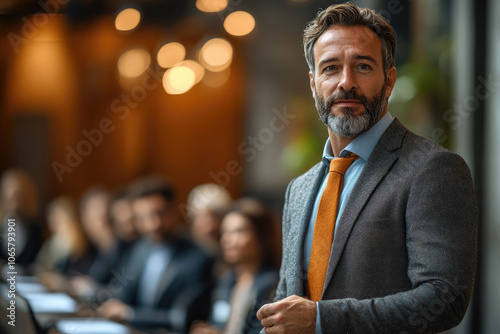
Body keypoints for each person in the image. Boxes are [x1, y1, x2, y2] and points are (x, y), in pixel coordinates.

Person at [256, 3, 477, 334]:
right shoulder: (299, 188)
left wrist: (320, 320)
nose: (347, 83)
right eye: (331, 68)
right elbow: (289, 301)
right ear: (314, 84)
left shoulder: (432, 169)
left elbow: (444, 299)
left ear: (388, 81)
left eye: (362, 66)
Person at [97, 177, 214, 333]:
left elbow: (181, 317)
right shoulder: (141, 248)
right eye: (143, 217)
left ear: (173, 210)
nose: (153, 224)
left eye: (159, 214)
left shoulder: (200, 257)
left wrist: (130, 314)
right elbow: (124, 292)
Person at [190, 198, 280, 334]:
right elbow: (218, 322)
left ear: (261, 236)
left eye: (239, 231)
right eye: (225, 232)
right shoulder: (226, 281)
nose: (227, 239)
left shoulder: (272, 285)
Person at [0, 169, 42, 273]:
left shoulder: (33, 228)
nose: (14, 203)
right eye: (10, 198)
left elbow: (36, 262)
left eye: (18, 197)